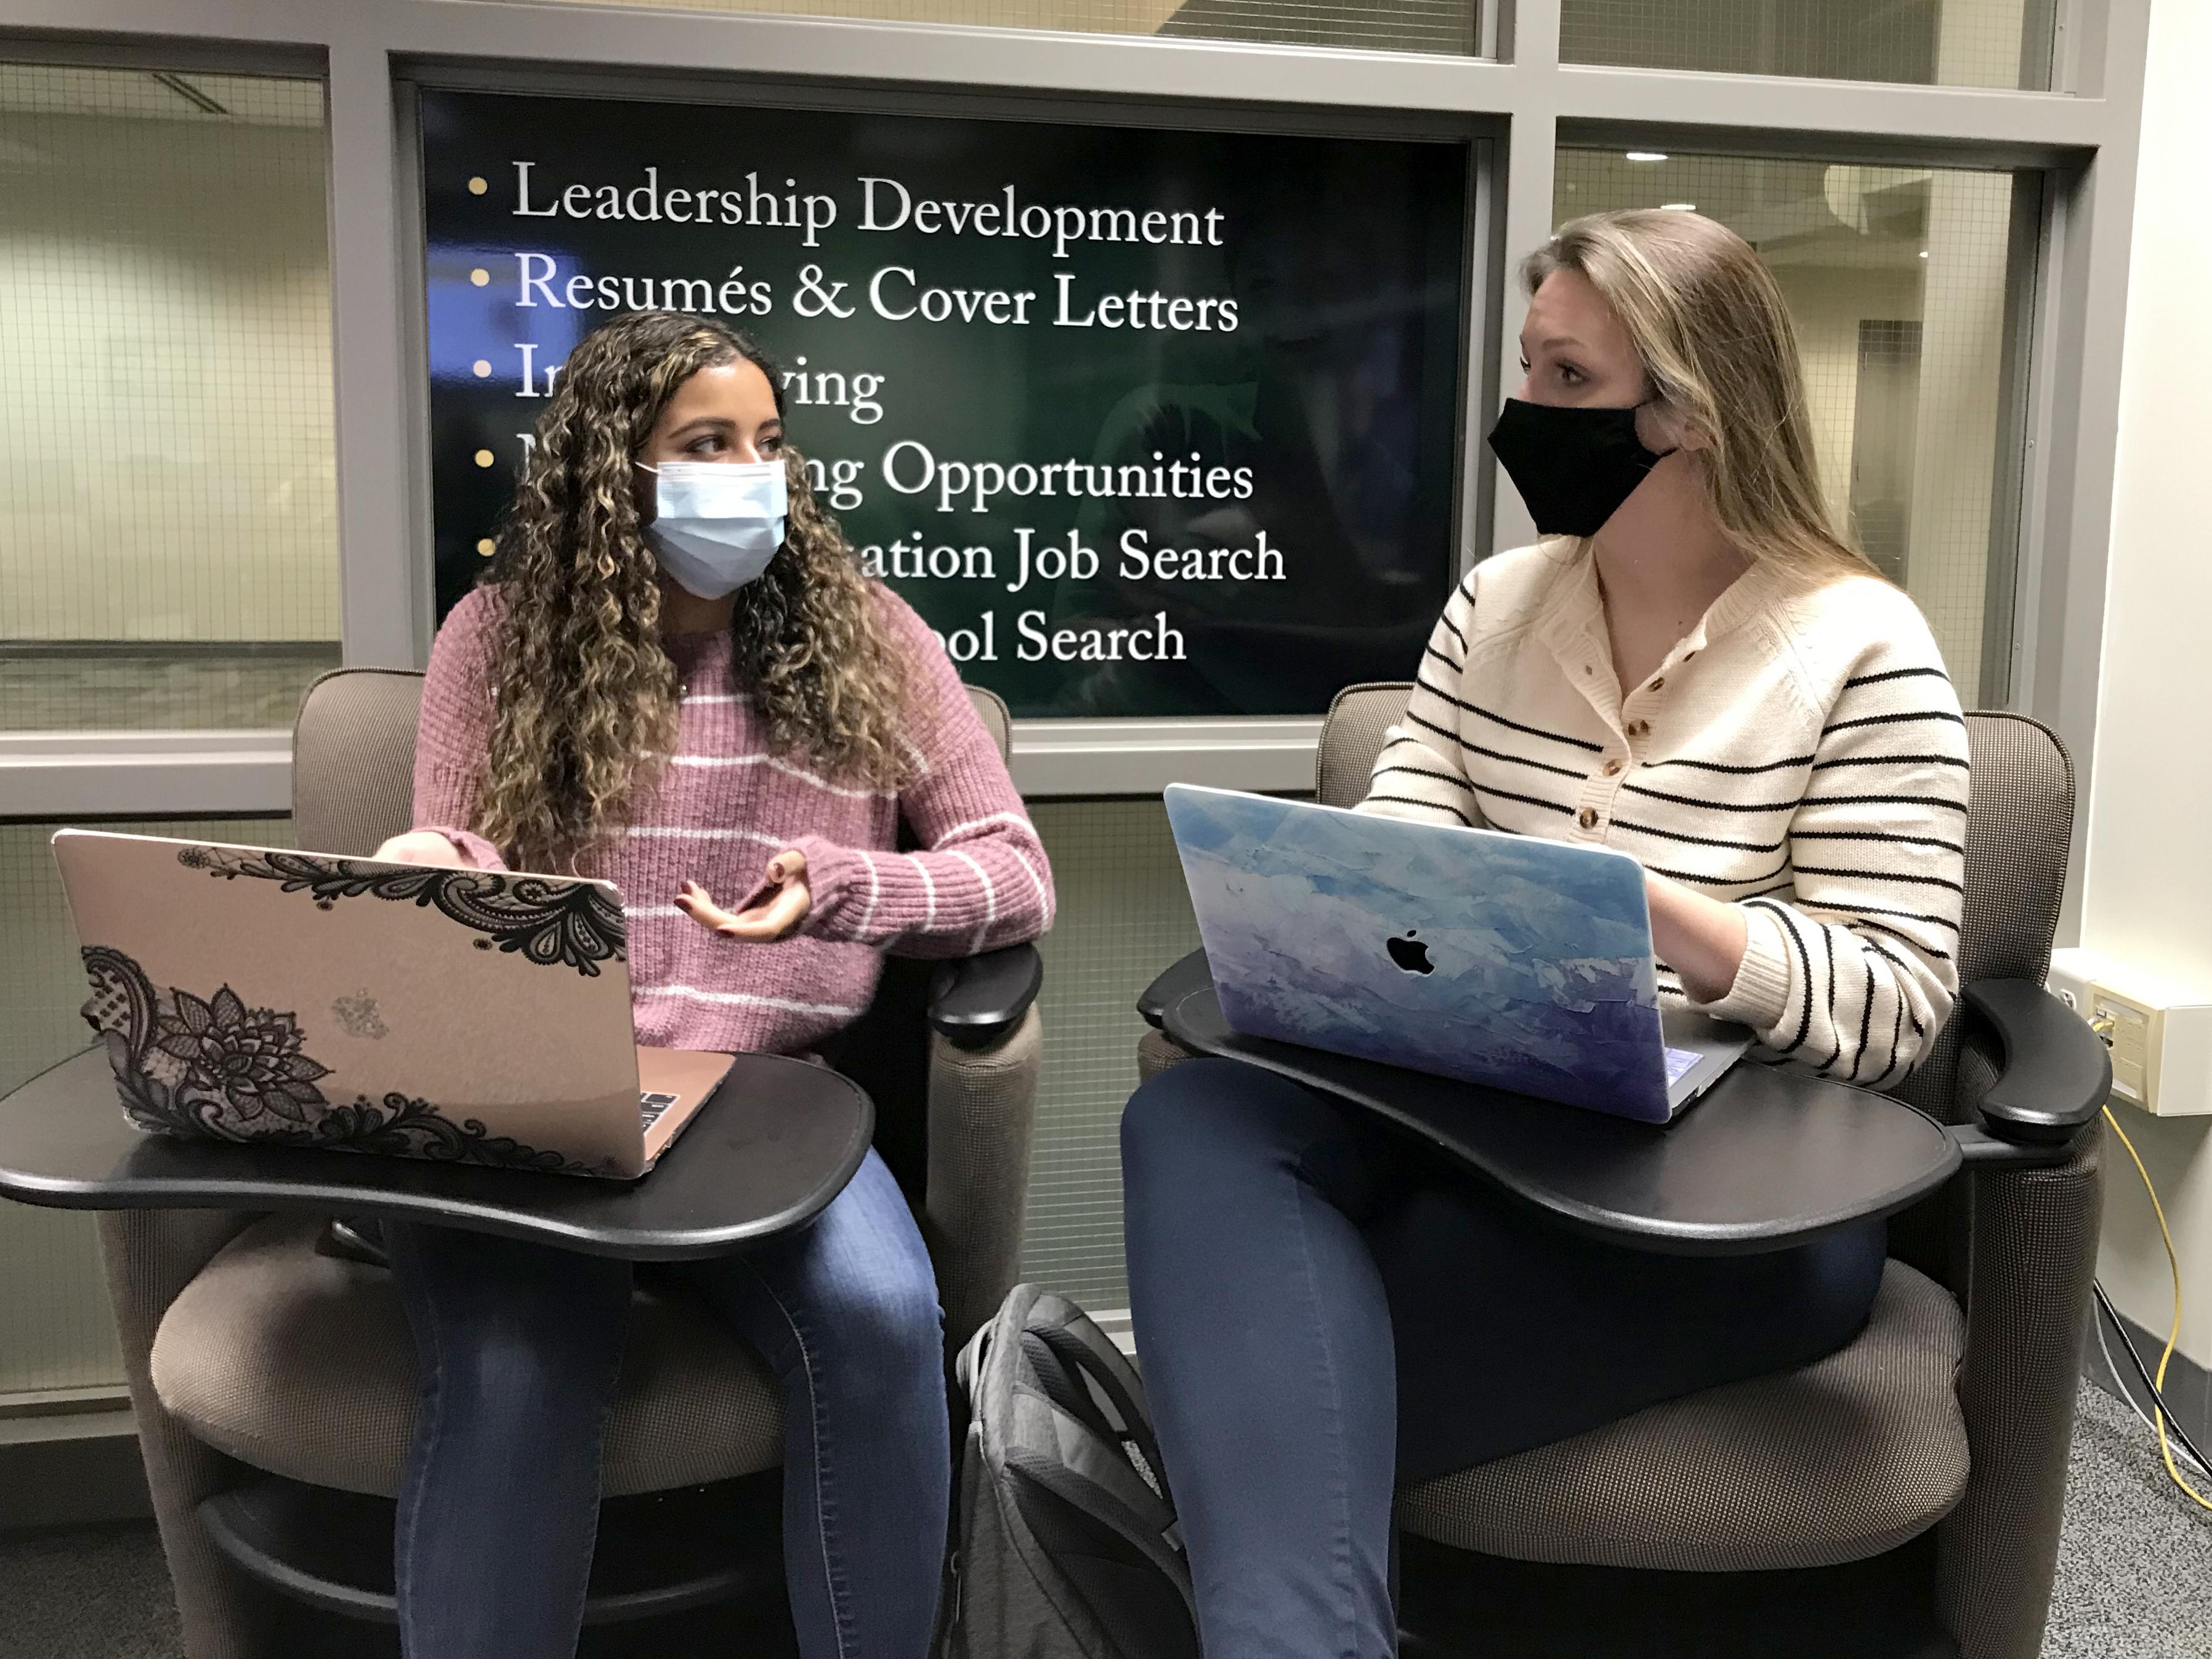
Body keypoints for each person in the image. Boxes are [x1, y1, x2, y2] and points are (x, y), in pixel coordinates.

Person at [1120, 208, 1969, 1659]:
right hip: (1472, 1115)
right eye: (1527, 371)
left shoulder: (1862, 650)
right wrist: (1343, 897)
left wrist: (1650, 914)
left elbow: (1896, 1006)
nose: (1523, 415)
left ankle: (1181, 1523)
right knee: (1194, 1122)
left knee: (1298, 1360)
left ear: (1688, 411)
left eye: (1565, 382)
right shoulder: (1495, 607)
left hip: (1721, 1203)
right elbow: (1393, 845)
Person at [370, 310, 1054, 1659]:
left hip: (768, 1104)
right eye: (703, 444)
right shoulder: (494, 642)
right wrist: (424, 866)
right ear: (612, 470)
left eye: (766, 442)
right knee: (517, 1366)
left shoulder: (872, 638)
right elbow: (461, 856)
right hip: (545, 1100)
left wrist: (851, 889)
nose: (750, 473)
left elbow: (1013, 873)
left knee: (875, 1317)